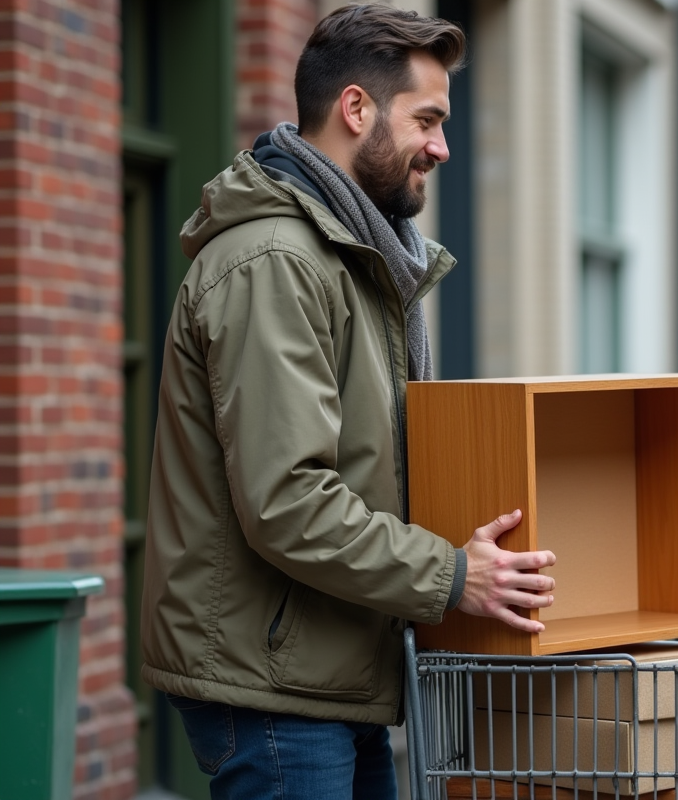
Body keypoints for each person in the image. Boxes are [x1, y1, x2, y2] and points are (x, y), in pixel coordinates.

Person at [138, 6, 556, 798]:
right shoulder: (275, 261)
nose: (441, 146)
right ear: (356, 108)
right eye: (426, 120)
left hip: (332, 664)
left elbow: (373, 463)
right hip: (273, 685)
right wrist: (451, 576)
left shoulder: (361, 258)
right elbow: (287, 497)